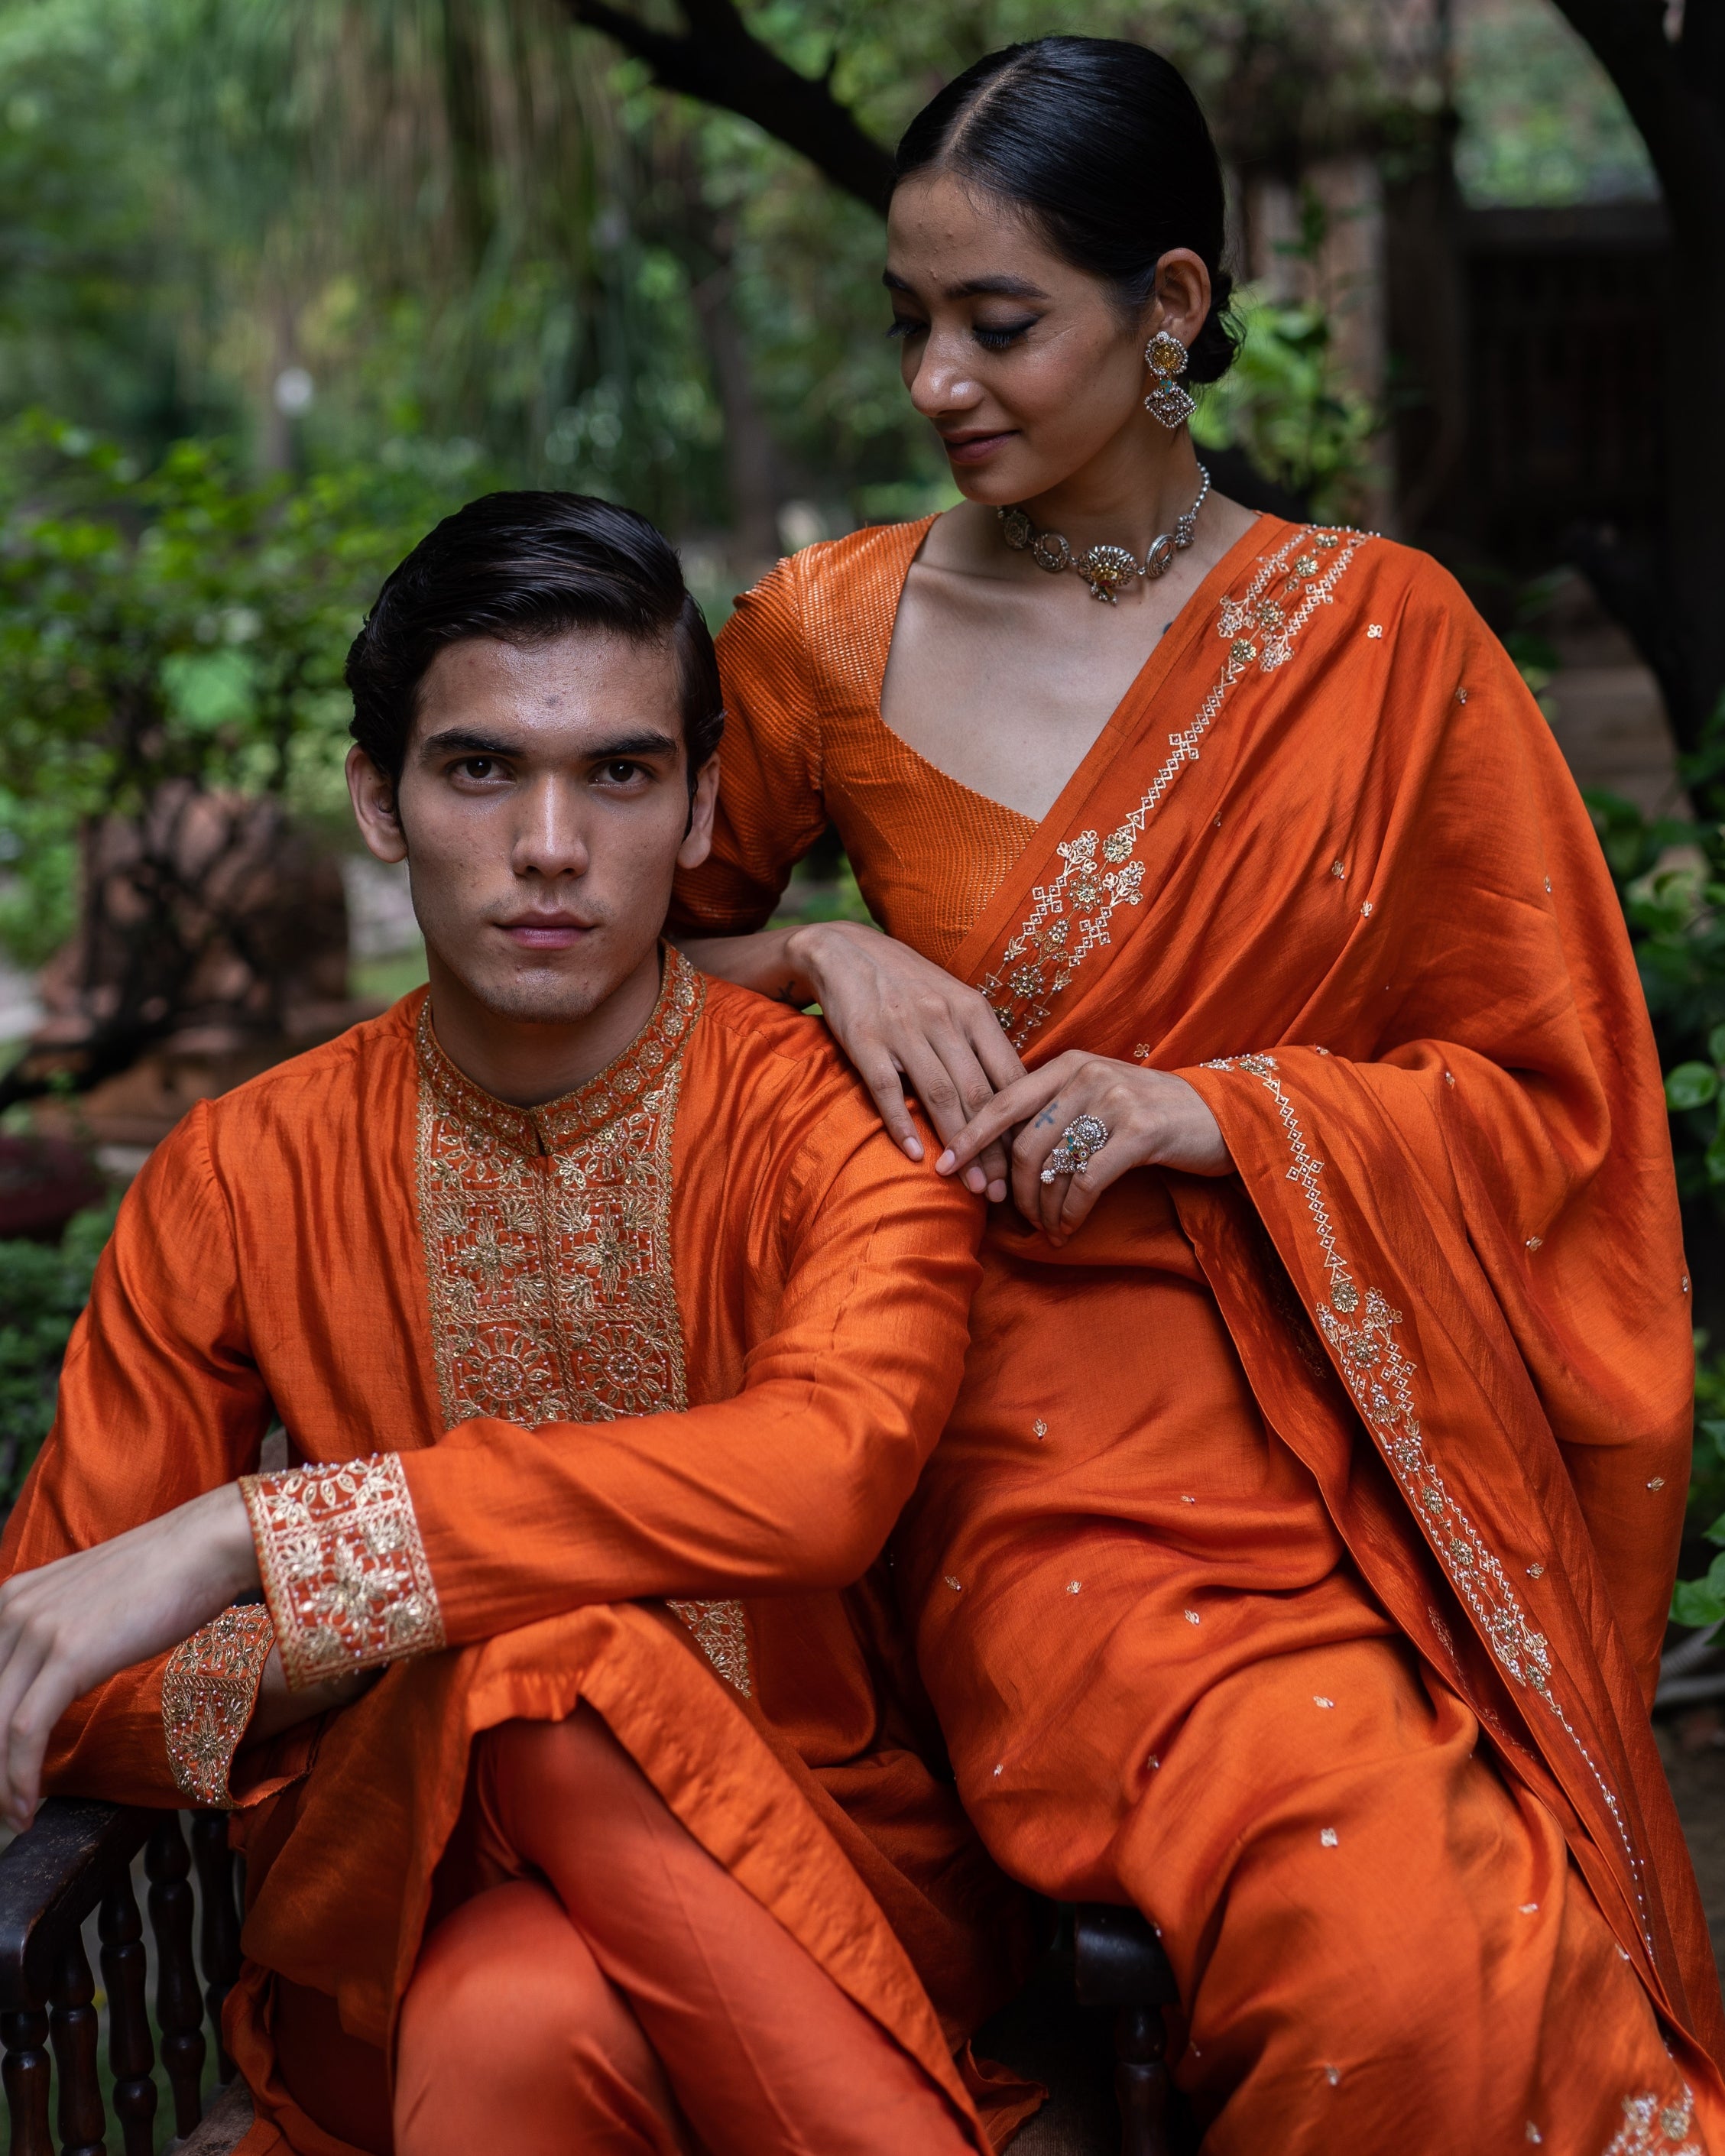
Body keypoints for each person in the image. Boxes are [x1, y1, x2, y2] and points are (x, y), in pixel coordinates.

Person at [669, 34, 1725, 2153]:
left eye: (998, 324)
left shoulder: (1388, 642)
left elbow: (1554, 1099)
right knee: (1387, 1940)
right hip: (1017, 1429)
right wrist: (815, 950)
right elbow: (587, 987)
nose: (935, 384)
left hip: (1365, 1396)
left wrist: (1222, 1112)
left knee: (1525, 1914)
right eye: (909, 326)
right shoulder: (822, 636)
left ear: (1165, 309)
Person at [0, 492, 1041, 2156]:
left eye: (618, 775)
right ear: (378, 800)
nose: (548, 845)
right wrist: (377, 1629)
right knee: (534, 1652)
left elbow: (822, 1479)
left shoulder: (840, 1123)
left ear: (702, 801)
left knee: (513, 2003)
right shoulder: (240, 1170)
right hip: (384, 1898)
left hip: (820, 1891)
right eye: (481, 769)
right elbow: (73, 1677)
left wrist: (265, 1537)